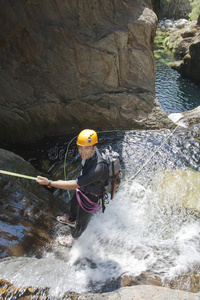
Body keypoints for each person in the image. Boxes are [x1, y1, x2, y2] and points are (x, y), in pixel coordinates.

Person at [36, 129, 109, 247]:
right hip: (84, 188)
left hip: (92, 196)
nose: (82, 152)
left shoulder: (99, 168)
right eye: (80, 147)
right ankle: (71, 219)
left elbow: (75, 184)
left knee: (82, 221)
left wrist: (50, 182)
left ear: (94, 148)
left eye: (86, 148)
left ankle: (74, 239)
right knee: (74, 203)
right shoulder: (90, 154)